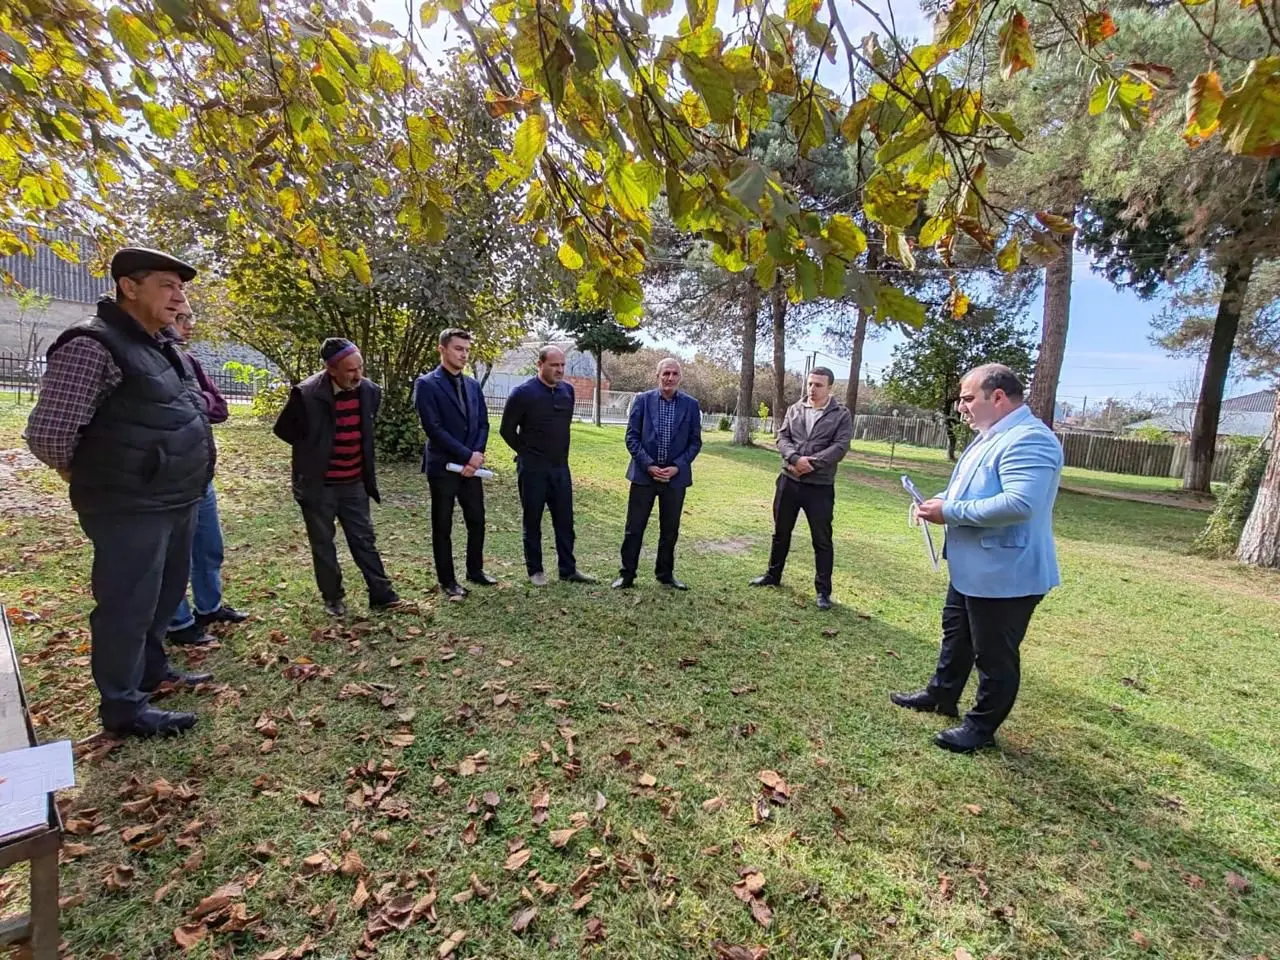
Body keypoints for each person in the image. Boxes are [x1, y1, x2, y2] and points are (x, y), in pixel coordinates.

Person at [24, 247, 214, 738]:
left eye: (182, 288)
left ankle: (152, 673)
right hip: (128, 506)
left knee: (162, 597)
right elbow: (49, 435)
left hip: (175, 499)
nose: (179, 298)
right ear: (129, 287)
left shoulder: (160, 345)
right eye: (167, 286)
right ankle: (123, 708)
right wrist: (92, 476)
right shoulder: (93, 345)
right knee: (127, 606)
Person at [891, 364, 1063, 753]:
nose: (960, 407)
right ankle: (942, 694)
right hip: (973, 568)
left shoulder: (1030, 439)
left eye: (968, 398)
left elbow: (1020, 504)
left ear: (998, 397)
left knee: (994, 655)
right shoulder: (991, 436)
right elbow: (972, 490)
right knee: (958, 636)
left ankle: (980, 727)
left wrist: (949, 512)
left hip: (1006, 573)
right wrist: (937, 502)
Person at [273, 338, 401, 617]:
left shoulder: (369, 391)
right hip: (318, 485)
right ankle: (333, 597)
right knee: (323, 543)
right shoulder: (306, 395)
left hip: (354, 481)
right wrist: (314, 448)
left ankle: (381, 593)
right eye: (350, 370)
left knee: (364, 538)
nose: (358, 375)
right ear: (331, 370)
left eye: (360, 367)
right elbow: (284, 430)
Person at [163, 310, 249, 646]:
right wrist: (193, 404)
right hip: (164, 480)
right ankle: (178, 622)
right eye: (181, 318)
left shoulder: (188, 362)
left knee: (208, 547)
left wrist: (190, 402)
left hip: (200, 475)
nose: (189, 326)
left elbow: (220, 408)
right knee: (172, 557)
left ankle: (209, 607)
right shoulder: (141, 360)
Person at [748, 367, 853, 610]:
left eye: (818, 385)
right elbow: (782, 437)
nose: (812, 389)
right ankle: (773, 576)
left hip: (820, 486)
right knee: (781, 532)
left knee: (822, 540)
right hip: (789, 481)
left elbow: (840, 447)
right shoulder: (795, 409)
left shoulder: (840, 415)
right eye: (810, 384)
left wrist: (811, 464)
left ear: (829, 388)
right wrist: (795, 459)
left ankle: (823, 592)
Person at [499, 345, 596, 586]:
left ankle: (568, 569)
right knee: (532, 521)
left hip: (560, 468)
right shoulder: (522, 394)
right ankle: (536, 571)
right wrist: (525, 452)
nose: (560, 370)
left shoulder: (568, 392)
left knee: (565, 521)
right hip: (532, 470)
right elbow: (506, 430)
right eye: (554, 365)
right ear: (540, 365)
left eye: (562, 365)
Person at [413, 328, 495, 599]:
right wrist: (466, 456)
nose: (463, 354)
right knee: (443, 525)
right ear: (442, 349)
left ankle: (475, 570)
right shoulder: (426, 384)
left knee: (477, 521)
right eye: (458, 348)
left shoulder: (472, 385)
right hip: (443, 467)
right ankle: (448, 581)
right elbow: (433, 428)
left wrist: (477, 455)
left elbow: (483, 422)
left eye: (467, 350)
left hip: (472, 467)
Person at [612, 358, 702, 590]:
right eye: (666, 373)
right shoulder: (642, 401)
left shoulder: (691, 405)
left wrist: (677, 467)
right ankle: (627, 574)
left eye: (674, 374)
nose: (670, 378)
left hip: (675, 478)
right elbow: (631, 437)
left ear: (680, 377)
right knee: (634, 528)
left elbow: (695, 442)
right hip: (644, 476)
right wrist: (649, 465)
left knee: (670, 529)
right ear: (657, 375)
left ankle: (665, 574)